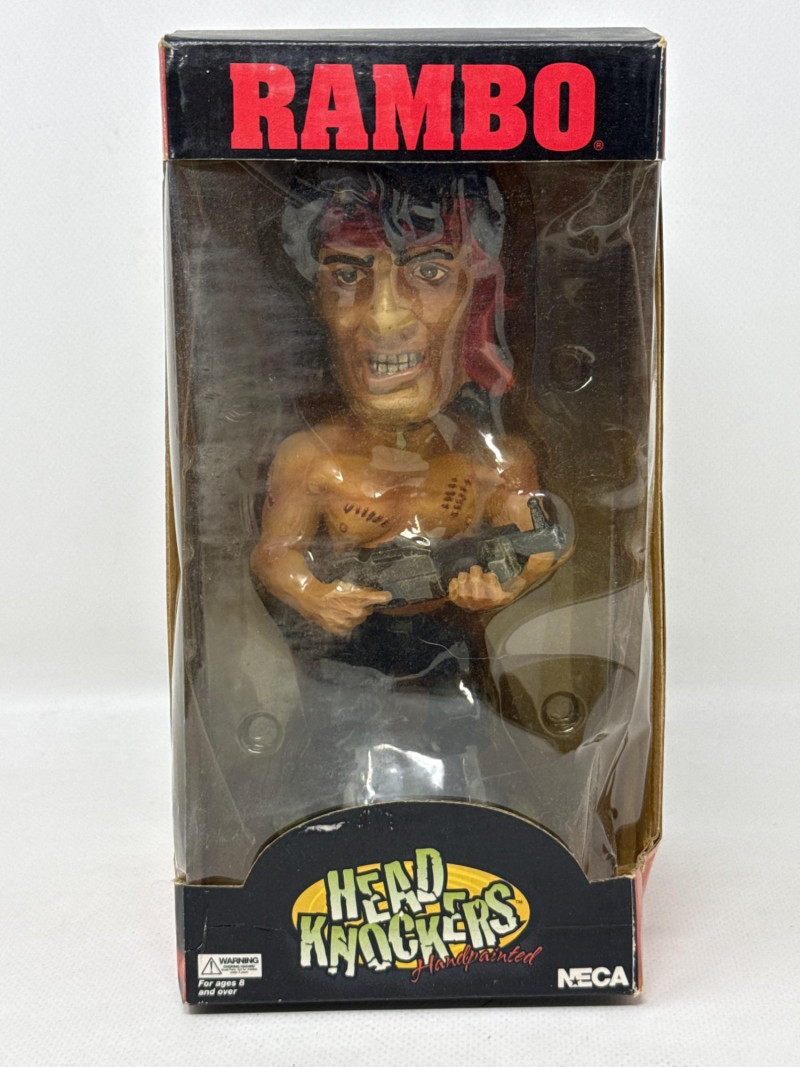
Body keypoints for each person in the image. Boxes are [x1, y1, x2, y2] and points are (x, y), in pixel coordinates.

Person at [250, 166, 569, 811]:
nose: (387, 314)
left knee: (464, 754)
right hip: (347, 651)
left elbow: (543, 540)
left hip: (443, 645)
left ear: (476, 299)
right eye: (347, 273)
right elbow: (273, 553)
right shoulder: (309, 460)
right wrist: (313, 595)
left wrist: (504, 587)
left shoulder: (494, 461)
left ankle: (465, 825)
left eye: (429, 271)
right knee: (330, 758)